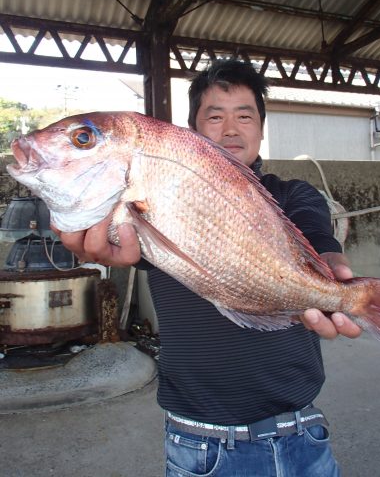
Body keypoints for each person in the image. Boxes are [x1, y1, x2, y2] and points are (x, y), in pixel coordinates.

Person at [55, 59, 361, 477]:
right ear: (192, 132)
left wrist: (332, 271)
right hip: (200, 443)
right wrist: (94, 235)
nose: (231, 129)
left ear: (261, 128)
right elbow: (107, 227)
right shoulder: (151, 198)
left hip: (303, 433)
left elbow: (316, 234)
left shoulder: (292, 195)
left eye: (244, 116)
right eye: (214, 116)